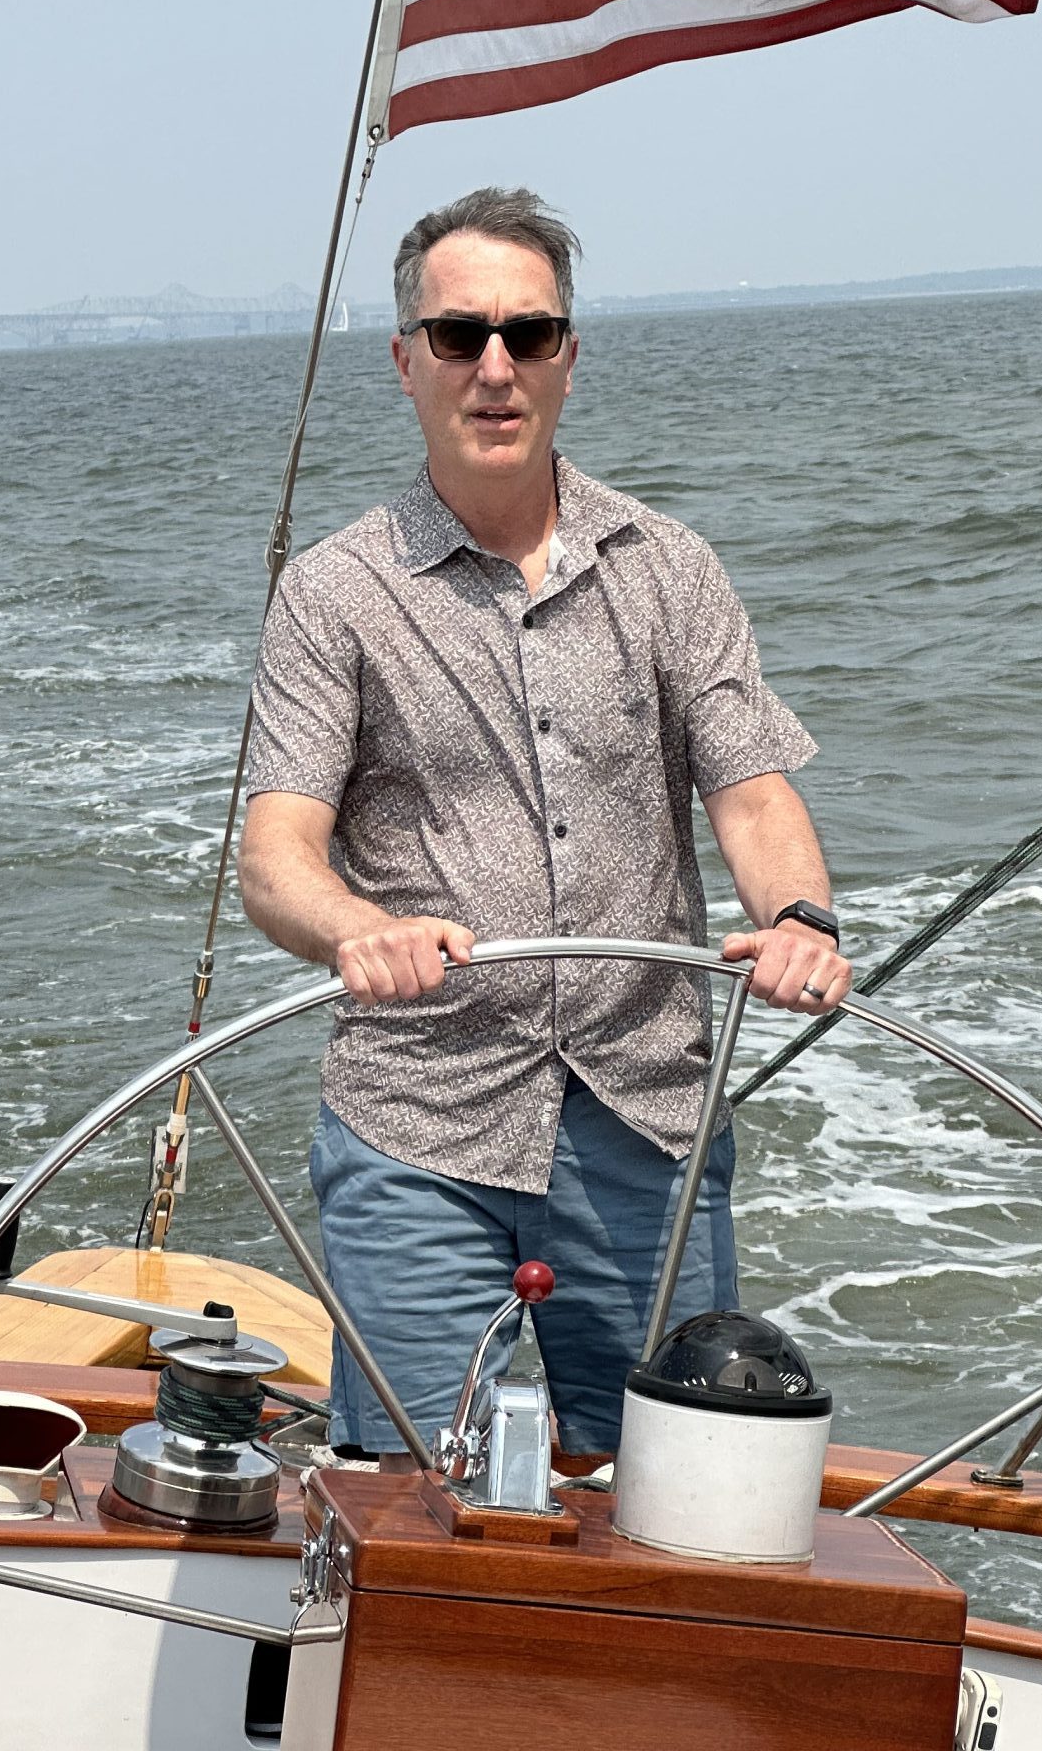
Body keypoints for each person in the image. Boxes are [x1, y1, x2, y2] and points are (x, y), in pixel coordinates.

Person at [238, 185, 848, 1460]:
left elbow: (751, 791)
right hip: (418, 1124)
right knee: (411, 1498)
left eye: (528, 332)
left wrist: (800, 919)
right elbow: (277, 854)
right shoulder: (331, 594)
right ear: (406, 361)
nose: (495, 366)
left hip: (644, 1118)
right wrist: (356, 929)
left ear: (569, 355)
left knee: (677, 1485)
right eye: (460, 335)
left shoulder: (669, 567)